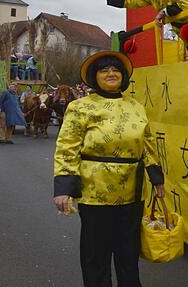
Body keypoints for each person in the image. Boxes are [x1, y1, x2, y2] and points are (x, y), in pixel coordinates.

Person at [53, 51, 165, 286]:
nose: (111, 73)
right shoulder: (80, 107)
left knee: (128, 253)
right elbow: (67, 146)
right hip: (95, 192)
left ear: (123, 76)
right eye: (104, 70)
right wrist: (63, 186)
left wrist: (157, 179)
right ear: (95, 77)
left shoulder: (136, 107)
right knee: (96, 254)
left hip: (132, 192)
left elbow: (148, 143)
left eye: (116, 70)